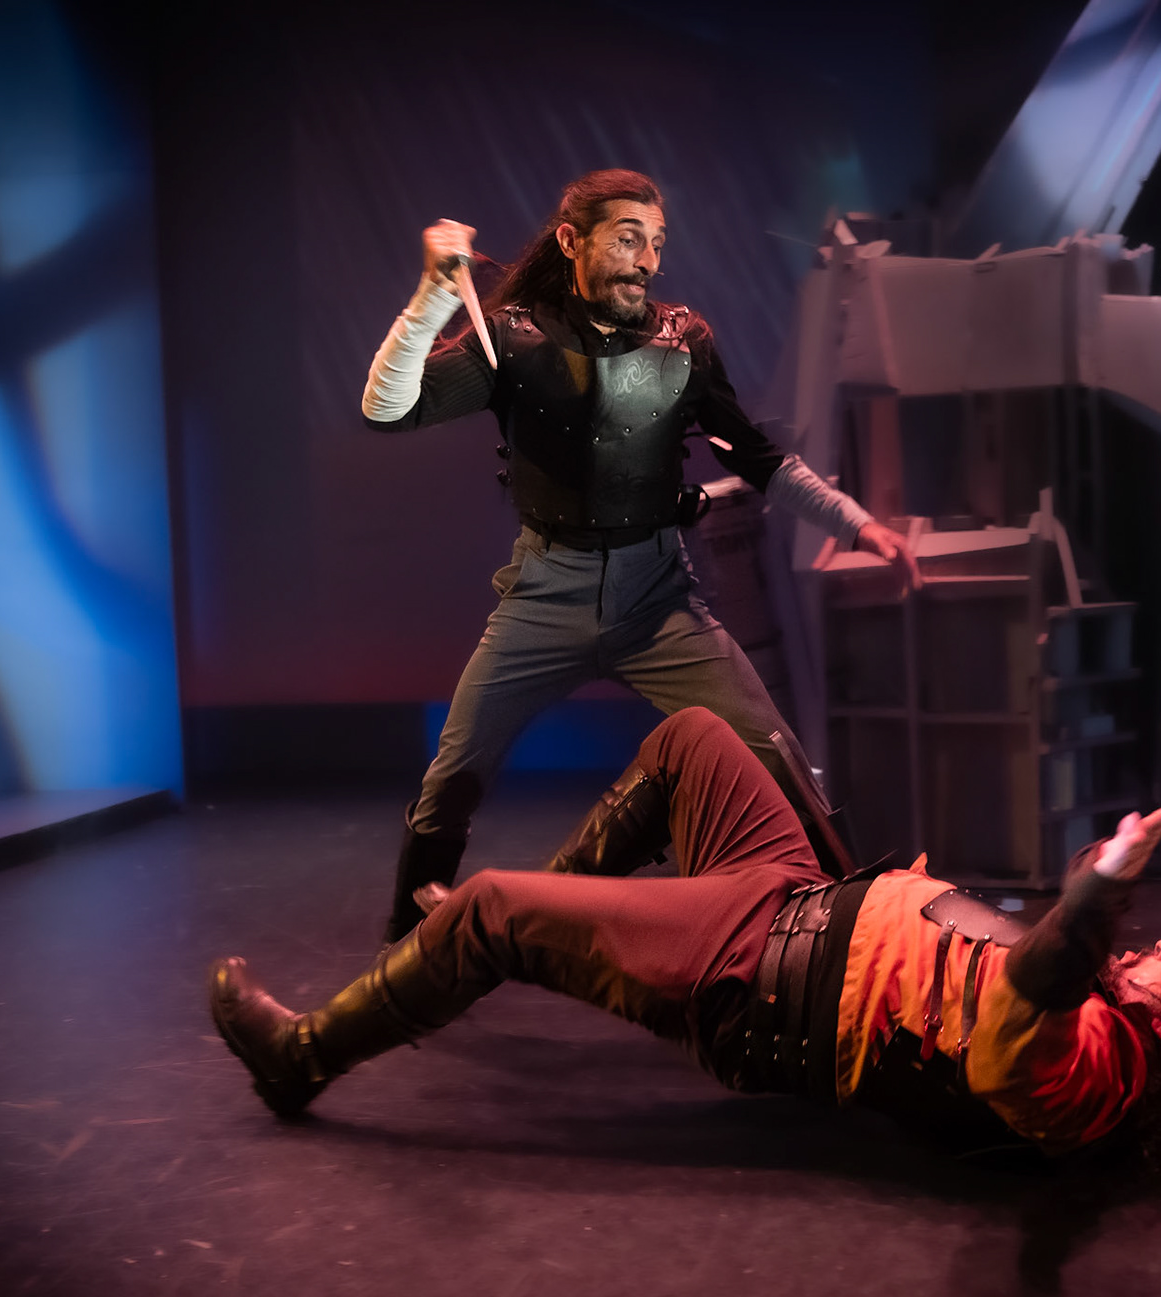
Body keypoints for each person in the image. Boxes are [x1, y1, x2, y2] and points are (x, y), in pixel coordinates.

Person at [210, 708, 1161, 1256]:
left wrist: (1094, 903)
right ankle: (515, 934)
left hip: (763, 974)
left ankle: (298, 1058)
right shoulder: (1111, 1021)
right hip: (797, 897)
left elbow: (1013, 1025)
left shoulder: (1102, 1077)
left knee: (496, 904)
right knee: (696, 737)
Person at [360, 167, 918, 942]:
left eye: (656, 242)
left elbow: (757, 457)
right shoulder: (513, 335)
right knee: (449, 782)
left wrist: (857, 525)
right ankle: (407, 951)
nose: (648, 260)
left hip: (658, 602)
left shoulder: (683, 339)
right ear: (571, 241)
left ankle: (855, 937)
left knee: (776, 759)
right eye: (628, 239)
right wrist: (431, 296)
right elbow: (389, 410)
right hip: (543, 599)